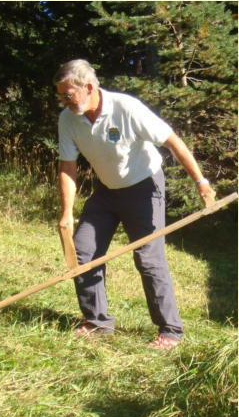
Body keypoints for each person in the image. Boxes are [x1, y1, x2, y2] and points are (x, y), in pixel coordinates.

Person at [54, 58, 215, 350]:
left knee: (148, 258)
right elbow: (68, 167)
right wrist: (66, 212)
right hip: (106, 191)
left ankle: (171, 331)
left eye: (68, 94)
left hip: (144, 187)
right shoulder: (68, 118)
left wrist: (202, 183)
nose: (63, 101)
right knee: (83, 250)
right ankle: (97, 321)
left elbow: (173, 141)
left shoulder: (126, 108)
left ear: (88, 87)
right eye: (60, 95)